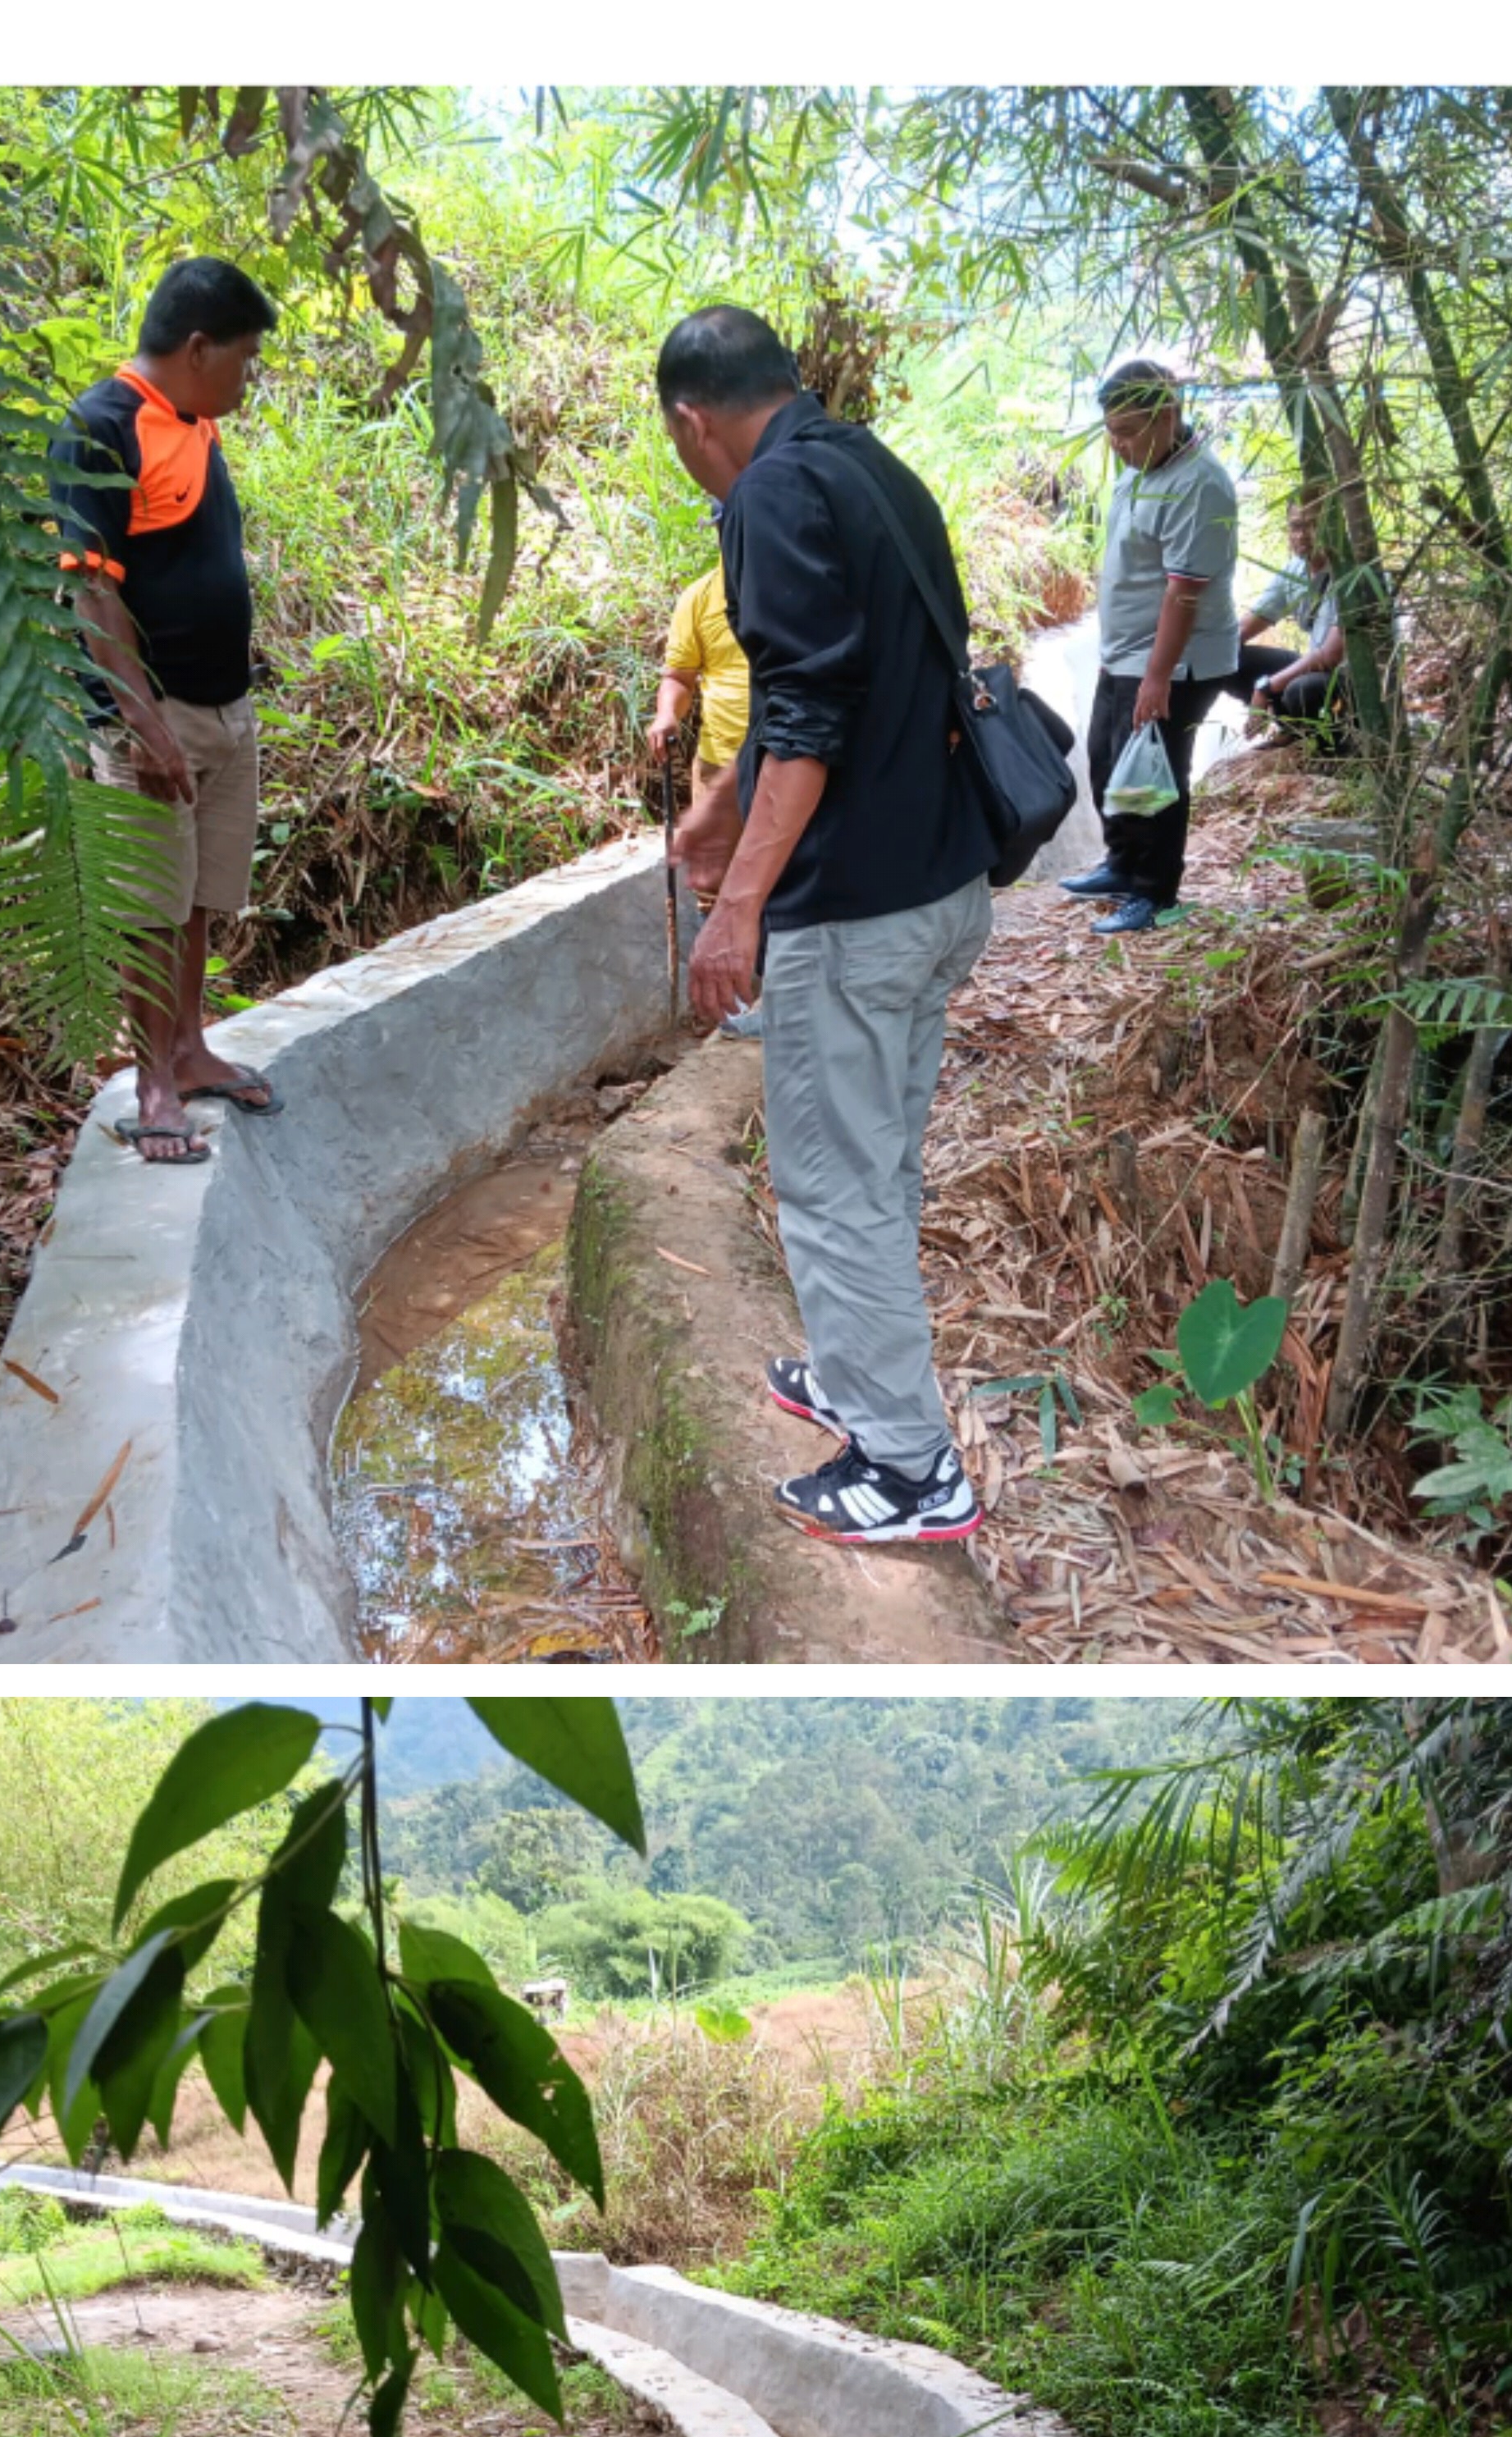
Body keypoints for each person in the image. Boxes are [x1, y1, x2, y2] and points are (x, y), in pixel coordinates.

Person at [659, 302, 997, 1548]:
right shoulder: (872, 468)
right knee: (879, 1162)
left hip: (853, 916)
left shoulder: (764, 496)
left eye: (678, 444)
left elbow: (803, 710)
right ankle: (855, 1380)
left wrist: (732, 908)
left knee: (830, 1186)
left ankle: (911, 1471)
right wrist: (714, 817)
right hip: (937, 886)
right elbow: (845, 687)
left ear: (694, 419)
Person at [49, 257, 283, 1165]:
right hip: (155, 718)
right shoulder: (101, 425)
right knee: (149, 904)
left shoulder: (189, 424)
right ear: (197, 347)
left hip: (223, 708)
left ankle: (187, 1049)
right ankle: (153, 1083)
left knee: (194, 897)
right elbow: (91, 593)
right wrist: (140, 721)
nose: (248, 376)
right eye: (244, 357)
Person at [1058, 359, 1240, 935]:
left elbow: (1184, 593)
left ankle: (1154, 893)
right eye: (1111, 431)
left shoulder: (1199, 484)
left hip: (1176, 660)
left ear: (1169, 415)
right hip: (1126, 650)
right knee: (1109, 759)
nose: (1119, 444)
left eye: (1130, 431)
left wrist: (1157, 677)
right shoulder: (1139, 465)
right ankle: (1120, 865)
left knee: (1155, 774)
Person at [648, 556, 761, 1036]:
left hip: (789, 762)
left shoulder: (789, 583)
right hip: (719, 765)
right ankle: (733, 1005)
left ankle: (785, 996)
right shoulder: (700, 597)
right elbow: (679, 675)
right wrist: (666, 716)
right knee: (713, 885)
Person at [1230, 495, 1346, 726]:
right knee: (1226, 658)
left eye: (1314, 525)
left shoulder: (1350, 571)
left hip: (1352, 681)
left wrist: (1266, 687)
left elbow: (1331, 656)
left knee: (1300, 690)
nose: (1303, 535)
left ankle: (1335, 743)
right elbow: (1245, 626)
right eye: (1296, 526)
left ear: (1333, 525)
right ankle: (1291, 728)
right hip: (1318, 669)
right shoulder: (1294, 571)